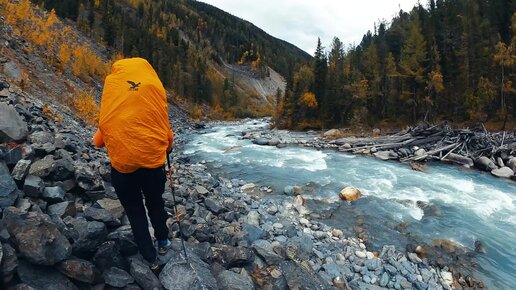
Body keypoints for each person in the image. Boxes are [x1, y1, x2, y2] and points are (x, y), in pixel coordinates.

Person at [93, 57, 174, 271]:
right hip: (153, 167)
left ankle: (150, 258)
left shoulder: (114, 101)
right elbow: (167, 139)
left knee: (134, 210)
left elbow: (97, 141)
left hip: (123, 170)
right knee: (155, 203)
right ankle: (163, 242)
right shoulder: (153, 96)